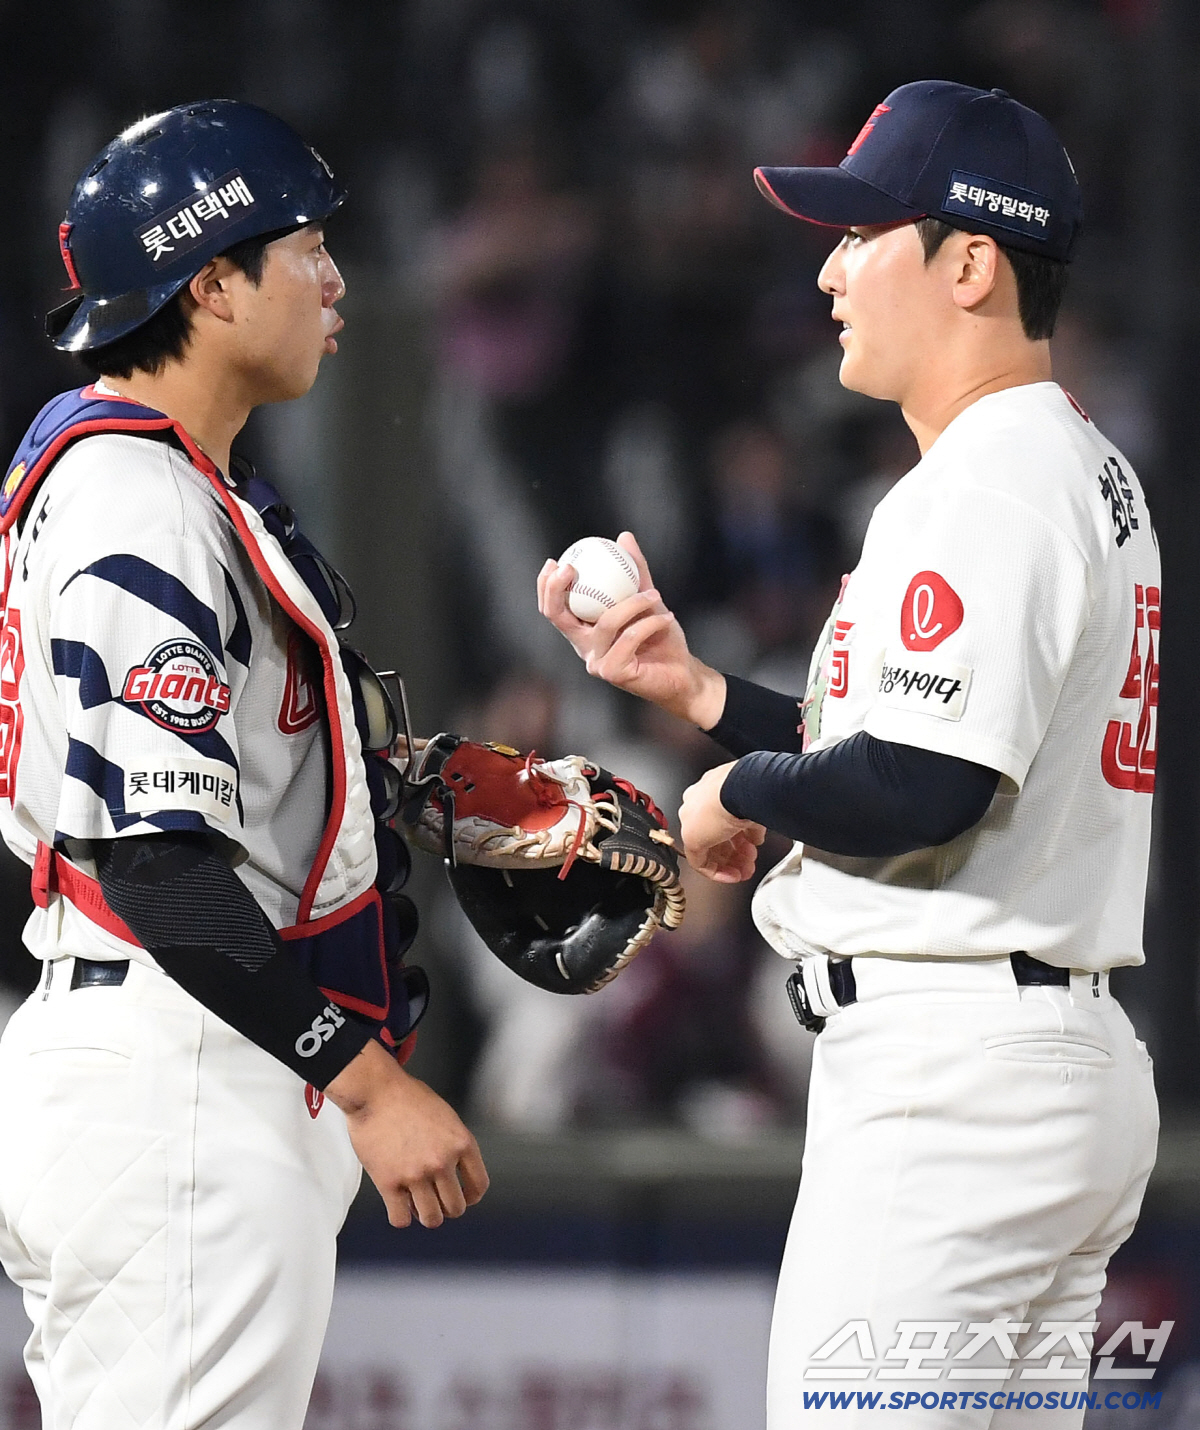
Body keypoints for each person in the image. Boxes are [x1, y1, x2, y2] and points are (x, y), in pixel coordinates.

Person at [539, 81, 1158, 1427]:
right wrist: (704, 694)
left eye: (864, 235)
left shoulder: (985, 481)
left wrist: (734, 789)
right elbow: (907, 744)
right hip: (1039, 1055)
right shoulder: (1075, 466)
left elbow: (926, 785)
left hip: (956, 1085)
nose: (828, 271)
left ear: (971, 265)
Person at [0, 101, 487, 1430]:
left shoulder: (158, 479)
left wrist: (429, 790)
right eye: (305, 248)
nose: (334, 280)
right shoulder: (137, 499)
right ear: (211, 283)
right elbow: (158, 866)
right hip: (182, 1065)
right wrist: (369, 1084)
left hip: (172, 1059)